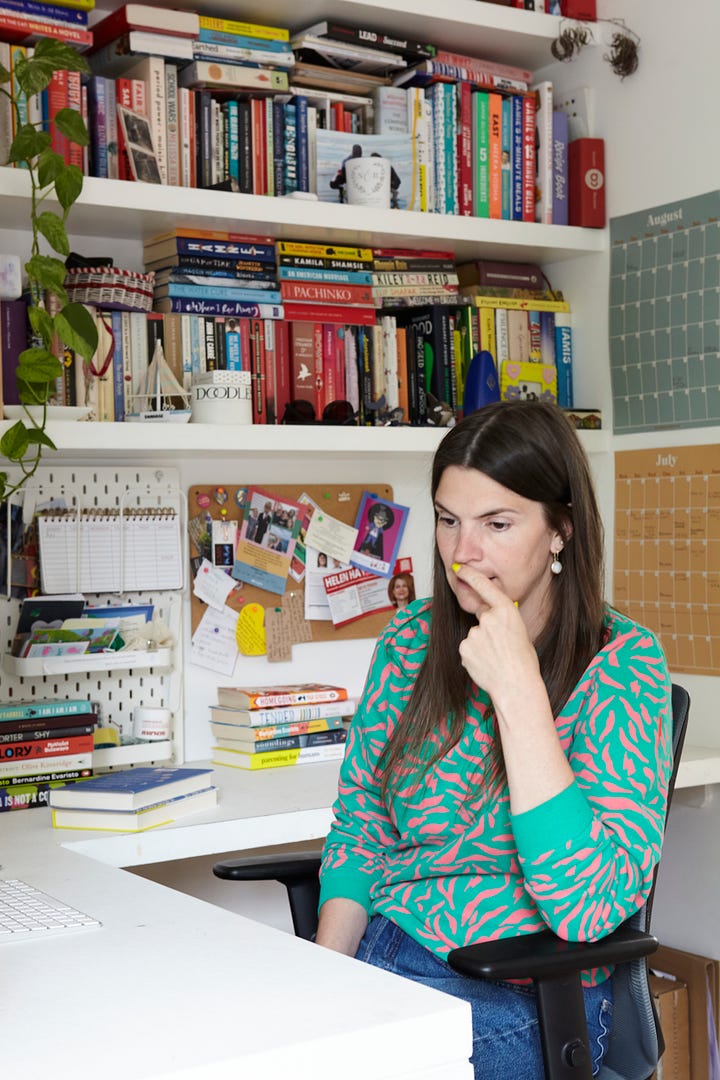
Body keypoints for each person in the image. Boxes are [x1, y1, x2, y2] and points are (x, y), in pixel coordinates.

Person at [316, 400, 673, 1079]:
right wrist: (321, 982)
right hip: (386, 961)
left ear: (559, 529)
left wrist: (518, 693)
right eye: (449, 521)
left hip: (521, 995)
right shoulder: (409, 641)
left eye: (497, 523)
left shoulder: (622, 666)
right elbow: (362, 825)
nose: (463, 552)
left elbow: (586, 905)